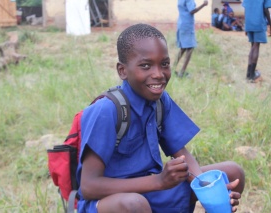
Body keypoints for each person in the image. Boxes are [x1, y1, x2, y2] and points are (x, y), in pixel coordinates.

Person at [76, 23, 245, 213]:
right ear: (122, 71)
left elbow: (181, 153)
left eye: (164, 64)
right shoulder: (107, 110)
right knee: (134, 204)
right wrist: (158, 181)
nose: (158, 74)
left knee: (231, 172)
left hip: (153, 191)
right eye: (145, 66)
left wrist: (207, 189)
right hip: (111, 201)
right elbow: (89, 187)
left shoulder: (160, 101)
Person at [174, 0, 209, 78]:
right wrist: (203, 5)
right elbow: (192, 10)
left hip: (181, 23)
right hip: (187, 25)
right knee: (190, 48)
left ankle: (172, 68)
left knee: (183, 48)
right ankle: (182, 72)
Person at [243, 0, 271, 83]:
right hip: (258, 22)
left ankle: (248, 74)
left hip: (249, 23)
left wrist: (246, 25)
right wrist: (270, 24)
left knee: (252, 46)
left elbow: (245, 9)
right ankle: (252, 75)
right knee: (256, 47)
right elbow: (266, 10)